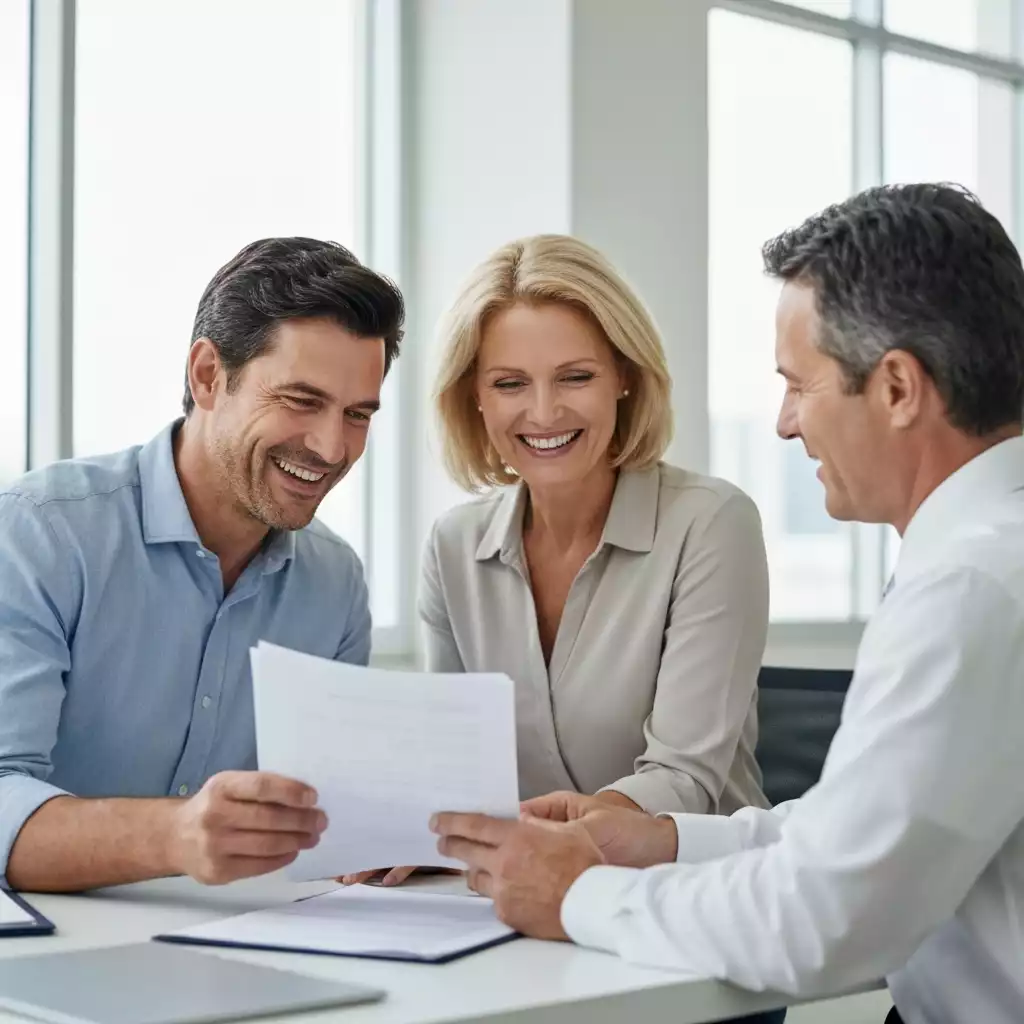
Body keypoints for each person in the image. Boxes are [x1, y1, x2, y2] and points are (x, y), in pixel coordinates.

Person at [431, 184, 1024, 1024]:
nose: (784, 423)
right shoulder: (982, 562)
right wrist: (664, 839)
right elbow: (853, 835)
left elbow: (821, 919)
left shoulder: (973, 588)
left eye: (799, 385)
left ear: (897, 388)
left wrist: (577, 894)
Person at [345, 234, 770, 890]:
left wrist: (532, 838)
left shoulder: (711, 524)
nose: (544, 412)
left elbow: (683, 779)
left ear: (623, 376)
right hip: (522, 898)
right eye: (510, 383)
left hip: (694, 897)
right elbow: (454, 770)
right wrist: (419, 827)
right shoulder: (453, 546)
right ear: (475, 395)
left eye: (576, 377)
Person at [0, 237, 404, 893]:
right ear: (208, 375)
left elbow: (330, 810)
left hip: (241, 936)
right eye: (301, 401)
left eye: (356, 414)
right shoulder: (40, 534)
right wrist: (175, 836)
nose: (332, 447)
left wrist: (384, 834)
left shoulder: (336, 583)